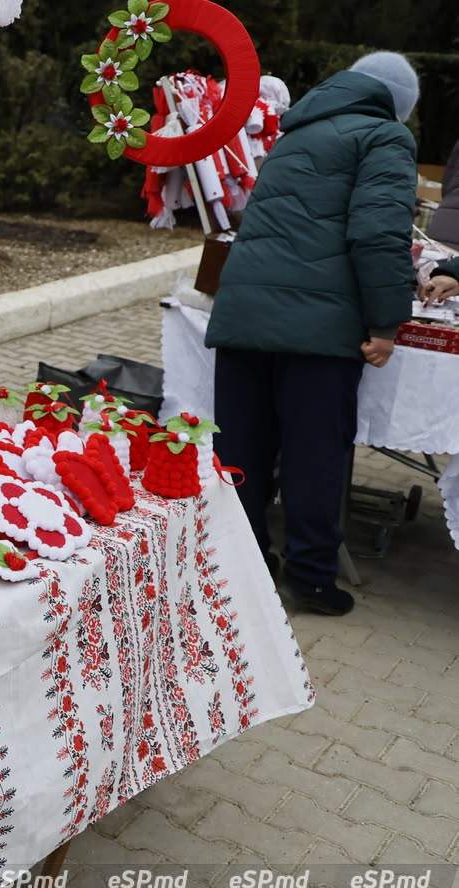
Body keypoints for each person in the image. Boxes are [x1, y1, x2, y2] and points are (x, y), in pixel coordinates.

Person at [205, 52, 421, 616]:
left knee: (241, 451)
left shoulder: (296, 131)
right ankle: (311, 577)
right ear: (398, 105)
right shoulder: (385, 137)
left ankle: (243, 567)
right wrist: (385, 323)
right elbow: (377, 233)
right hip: (320, 327)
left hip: (245, 312)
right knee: (314, 455)